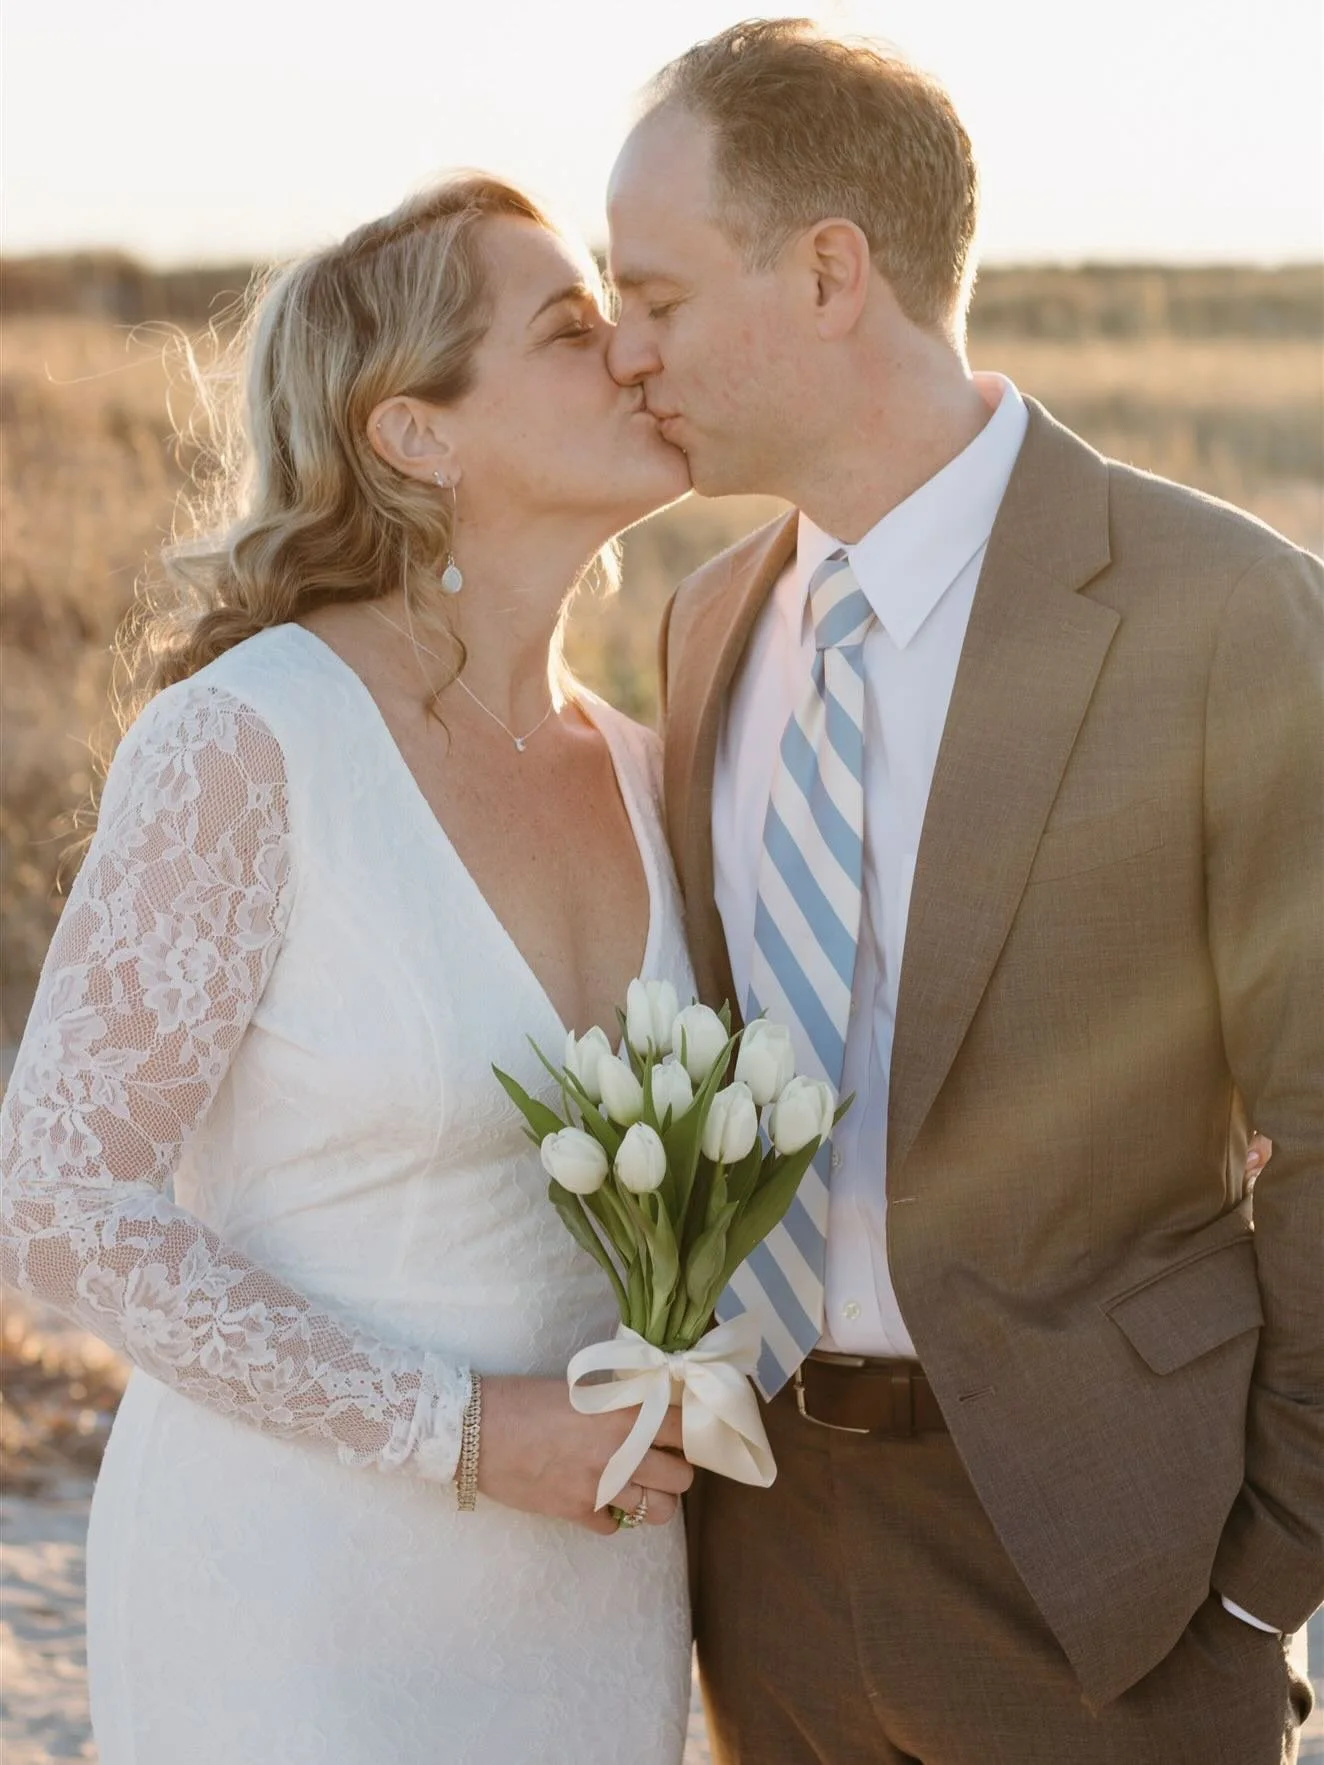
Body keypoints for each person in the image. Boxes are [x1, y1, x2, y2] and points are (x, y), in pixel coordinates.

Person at [605, 20, 1323, 1763]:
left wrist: (1268, 1571)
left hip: (1112, 1568)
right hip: (768, 1555)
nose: (624, 351)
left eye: (658, 296)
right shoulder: (707, 622)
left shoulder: (1223, 613)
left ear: (830, 272)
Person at [0, 176, 699, 1764]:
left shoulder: (654, 769)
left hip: (592, 1591)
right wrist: (466, 1433)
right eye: (569, 327)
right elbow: (58, 1202)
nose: (634, 352)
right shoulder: (251, 742)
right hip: (299, 1591)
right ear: (415, 434)